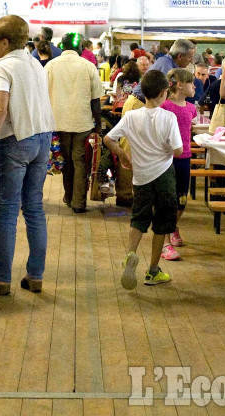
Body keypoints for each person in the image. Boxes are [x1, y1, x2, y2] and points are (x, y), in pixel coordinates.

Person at [0, 15, 54, 295]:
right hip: (43, 138)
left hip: (16, 140)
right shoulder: (35, 64)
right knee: (33, 208)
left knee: (7, 211)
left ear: (5, 42)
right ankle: (35, 276)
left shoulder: (3, 67)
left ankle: (2, 278)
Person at [104, 70, 182, 289]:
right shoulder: (168, 117)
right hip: (164, 175)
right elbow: (177, 151)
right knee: (162, 222)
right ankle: (153, 271)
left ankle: (131, 254)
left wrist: (122, 154)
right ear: (164, 92)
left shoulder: (131, 116)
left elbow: (109, 139)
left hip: (141, 177)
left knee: (139, 219)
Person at [45, 33, 103, 214]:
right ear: (80, 49)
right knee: (79, 161)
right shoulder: (88, 66)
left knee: (65, 161)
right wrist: (98, 124)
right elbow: (95, 100)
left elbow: (43, 96)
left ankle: (68, 196)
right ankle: (79, 202)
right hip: (82, 122)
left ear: (62, 46)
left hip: (57, 122)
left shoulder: (50, 66)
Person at [160, 68, 197, 261]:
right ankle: (165, 242)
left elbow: (191, 127)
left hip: (185, 157)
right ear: (180, 85)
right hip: (169, 158)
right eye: (192, 83)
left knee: (182, 199)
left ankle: (173, 226)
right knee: (169, 199)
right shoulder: (165, 106)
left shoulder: (191, 108)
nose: (195, 86)